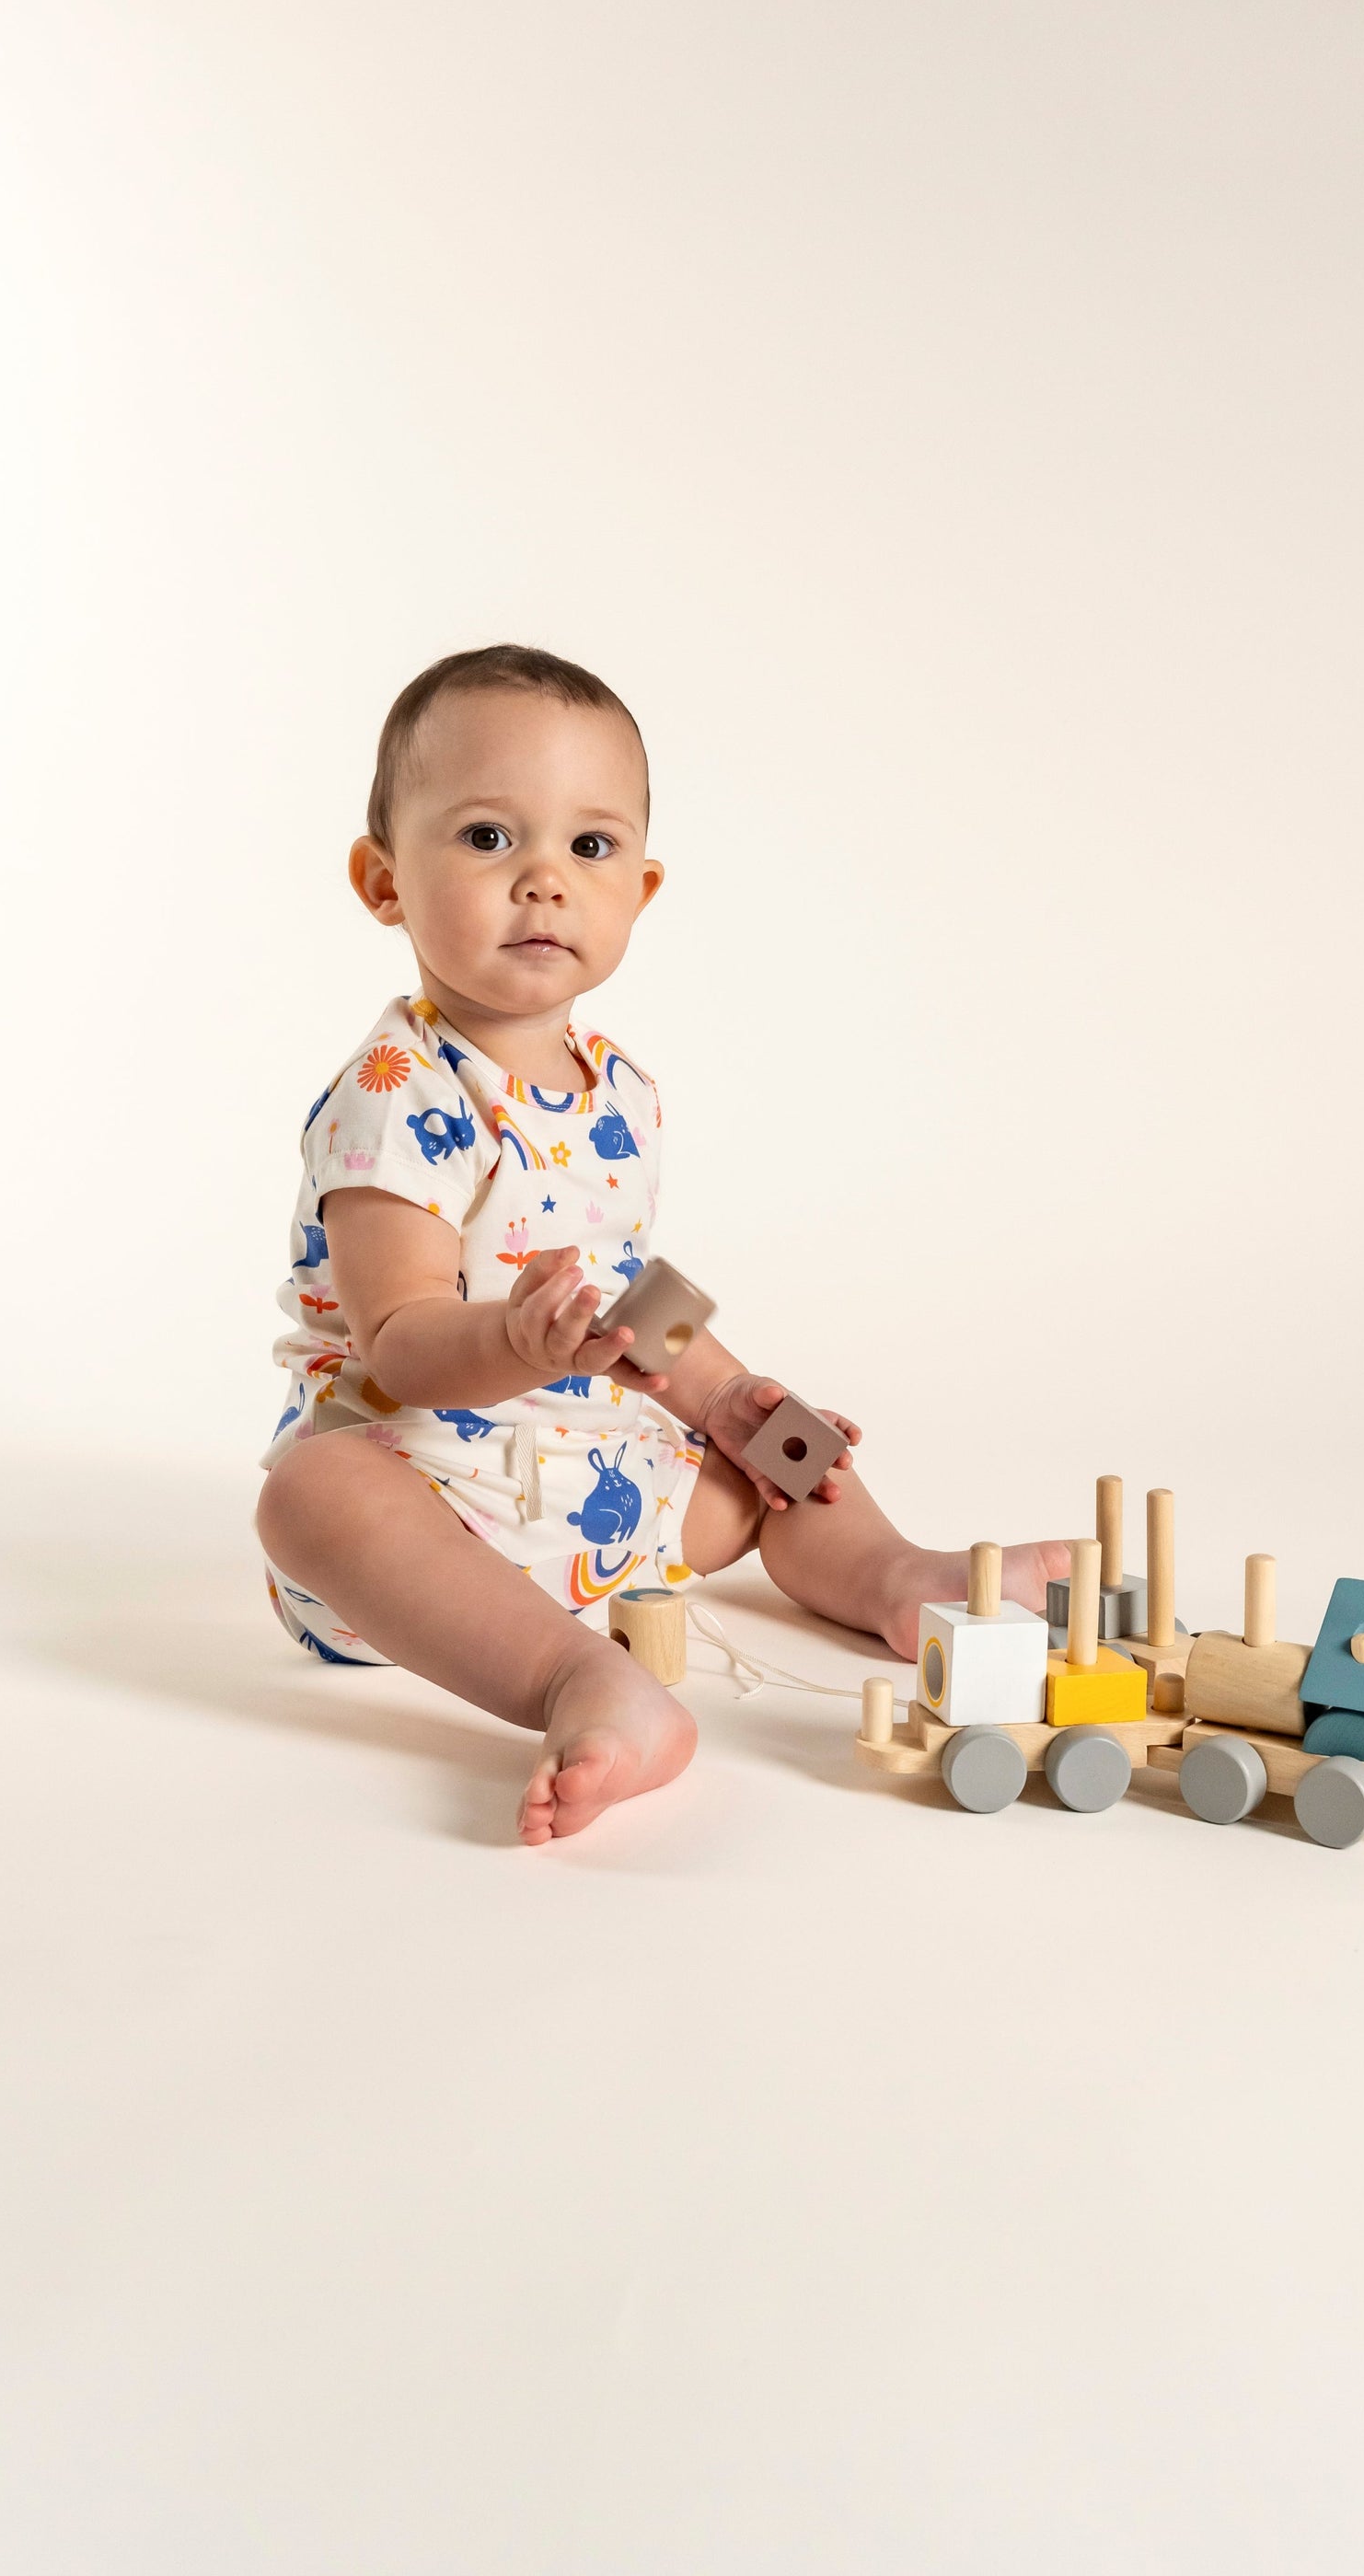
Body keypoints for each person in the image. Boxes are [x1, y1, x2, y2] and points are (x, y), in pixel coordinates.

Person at [255, 644, 1065, 1844]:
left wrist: (732, 1397)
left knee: (772, 1459)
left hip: (596, 1507)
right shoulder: (394, 1092)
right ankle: (574, 1683)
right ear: (383, 880)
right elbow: (404, 1345)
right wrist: (513, 1342)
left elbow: (631, 1292)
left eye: (589, 847)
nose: (543, 880)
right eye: (488, 838)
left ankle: (899, 1577)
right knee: (309, 1497)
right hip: (431, 1502)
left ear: (641, 888)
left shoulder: (620, 1091)